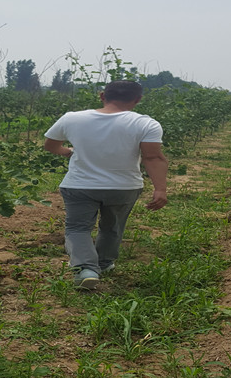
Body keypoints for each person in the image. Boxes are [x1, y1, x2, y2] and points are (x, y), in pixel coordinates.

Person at [43, 80, 168, 289]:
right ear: (137, 100)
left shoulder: (72, 118)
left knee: (77, 228)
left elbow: (51, 145)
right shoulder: (146, 124)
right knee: (113, 227)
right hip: (124, 187)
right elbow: (153, 157)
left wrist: (68, 152)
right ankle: (104, 262)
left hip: (79, 186)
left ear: (102, 96)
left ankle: (86, 269)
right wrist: (160, 189)